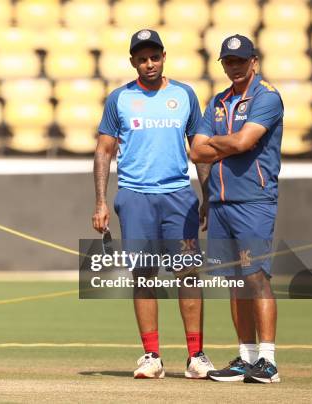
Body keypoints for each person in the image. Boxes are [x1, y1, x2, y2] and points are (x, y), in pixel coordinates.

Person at [93, 29, 214, 379]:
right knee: (143, 274)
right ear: (133, 61)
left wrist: (206, 197)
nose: (149, 63)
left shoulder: (184, 95)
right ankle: (151, 356)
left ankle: (196, 356)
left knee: (187, 274)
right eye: (142, 58)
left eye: (154, 57)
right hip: (135, 197)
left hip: (179, 195)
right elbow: (103, 151)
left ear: (164, 57)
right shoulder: (119, 99)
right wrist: (101, 201)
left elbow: (200, 150)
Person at [190, 34, 283, 384]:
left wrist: (217, 144)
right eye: (228, 61)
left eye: (240, 61)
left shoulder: (267, 97)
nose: (234, 67)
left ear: (254, 62)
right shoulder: (217, 101)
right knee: (233, 281)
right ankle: (245, 358)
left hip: (254, 201)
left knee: (256, 276)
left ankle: (268, 361)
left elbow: (245, 141)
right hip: (221, 203)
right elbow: (196, 152)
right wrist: (227, 145)